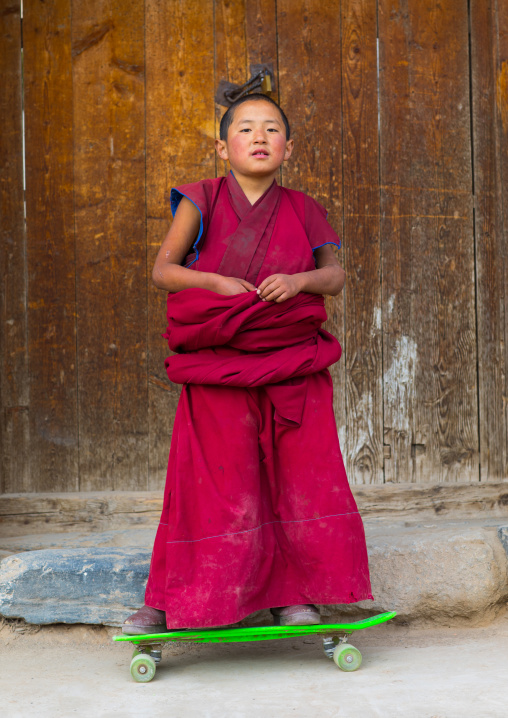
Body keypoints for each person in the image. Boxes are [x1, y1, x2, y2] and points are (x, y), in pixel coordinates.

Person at [123, 93, 372, 634]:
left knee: (296, 478)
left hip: (291, 367)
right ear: (222, 146)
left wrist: (300, 281)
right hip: (220, 366)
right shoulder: (201, 200)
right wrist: (213, 281)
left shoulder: (304, 207)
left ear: (289, 146)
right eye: (245, 129)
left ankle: (295, 593)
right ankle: (170, 598)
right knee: (211, 482)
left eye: (272, 129)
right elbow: (163, 270)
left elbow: (335, 276)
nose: (259, 138)